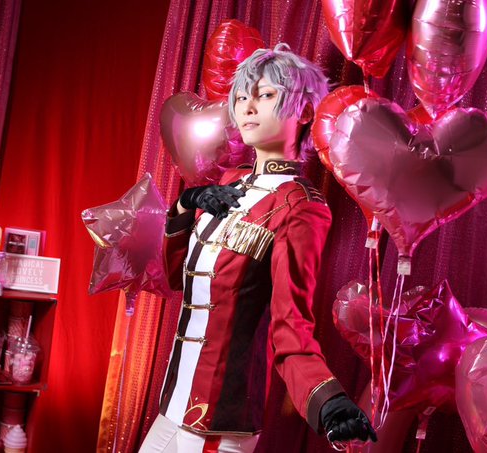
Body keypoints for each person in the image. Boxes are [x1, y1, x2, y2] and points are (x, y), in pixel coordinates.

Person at [139, 44, 376, 453]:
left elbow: (290, 326)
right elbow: (178, 278)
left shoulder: (301, 206)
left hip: (219, 421)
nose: (247, 107)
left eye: (265, 95)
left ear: (304, 111)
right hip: (171, 404)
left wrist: (328, 400)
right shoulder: (228, 183)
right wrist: (184, 205)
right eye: (242, 96)